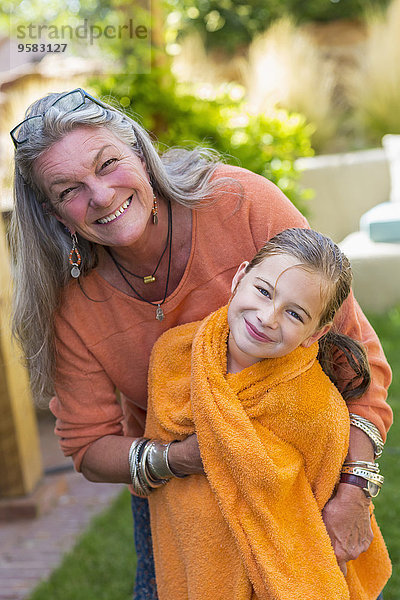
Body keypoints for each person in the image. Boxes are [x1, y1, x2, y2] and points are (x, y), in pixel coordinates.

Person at [9, 88, 392, 598]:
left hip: (300, 482)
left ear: (143, 154)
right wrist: (182, 458)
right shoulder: (68, 302)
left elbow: (356, 360)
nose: (100, 196)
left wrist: (354, 490)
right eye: (68, 190)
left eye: (108, 164)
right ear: (55, 214)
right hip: (180, 501)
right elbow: (88, 445)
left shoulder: (241, 204)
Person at [144, 228, 391, 599]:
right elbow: (157, 470)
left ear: (315, 333)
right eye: (263, 291)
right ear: (239, 277)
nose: (268, 317)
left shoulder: (317, 412)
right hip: (192, 560)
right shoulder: (174, 356)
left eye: (294, 313)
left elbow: (317, 532)